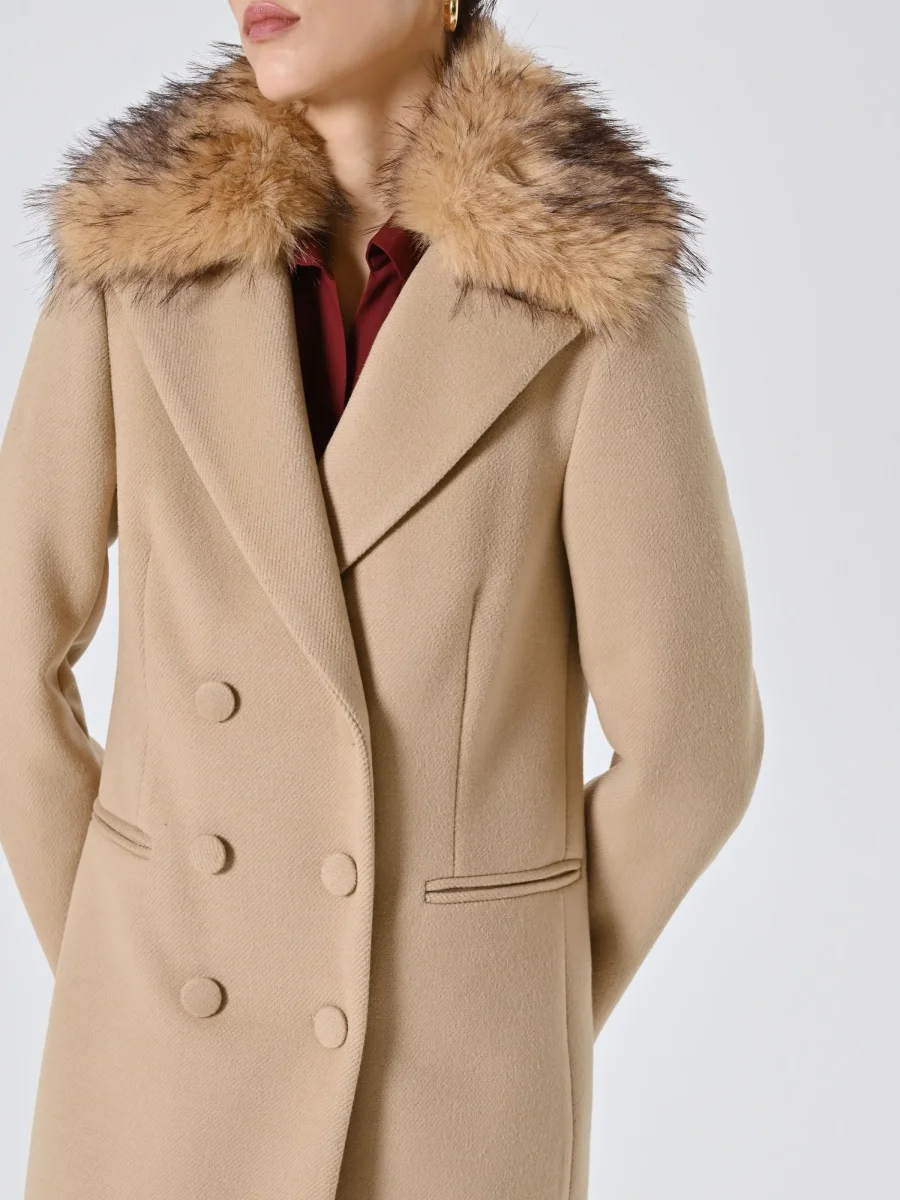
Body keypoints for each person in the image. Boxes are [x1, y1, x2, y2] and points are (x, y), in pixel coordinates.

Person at [0, 1, 765, 1197]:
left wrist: (504, 991)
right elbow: (12, 653)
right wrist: (123, 956)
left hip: (440, 1107)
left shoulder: (588, 287)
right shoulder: (134, 254)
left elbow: (695, 751)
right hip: (154, 1087)